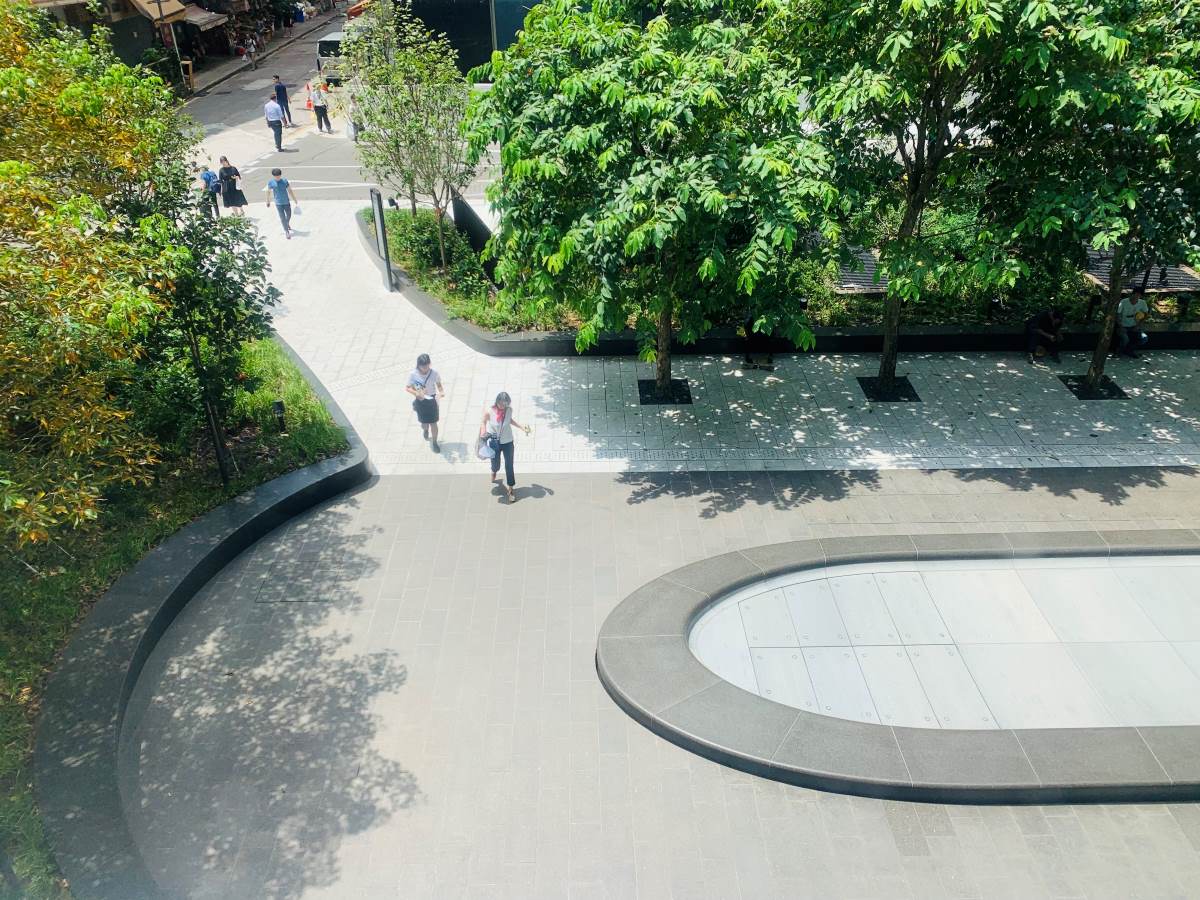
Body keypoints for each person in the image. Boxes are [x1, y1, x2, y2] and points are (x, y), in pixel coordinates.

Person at [479, 392, 531, 503]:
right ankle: (494, 470)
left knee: (509, 465)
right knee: (496, 464)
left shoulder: (509, 410)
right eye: (501, 404)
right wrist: (483, 432)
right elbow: (483, 422)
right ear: (497, 401)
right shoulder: (489, 412)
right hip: (494, 442)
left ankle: (511, 489)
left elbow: (509, 420)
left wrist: (521, 427)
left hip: (508, 441)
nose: (503, 406)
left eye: (505, 404)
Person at [406, 353, 445, 452]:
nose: (425, 368)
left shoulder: (434, 373)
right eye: (423, 366)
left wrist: (441, 392)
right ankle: (425, 429)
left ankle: (435, 442)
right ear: (418, 365)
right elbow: (408, 387)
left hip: (432, 401)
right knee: (424, 423)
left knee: (434, 423)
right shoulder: (413, 374)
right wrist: (416, 393)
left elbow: (438, 384)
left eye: (427, 365)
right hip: (420, 401)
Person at [264, 168, 299, 239]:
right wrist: (268, 201)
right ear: (273, 176)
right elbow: (268, 192)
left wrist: (294, 199)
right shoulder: (271, 182)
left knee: (289, 214)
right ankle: (286, 231)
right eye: (276, 176)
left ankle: (286, 224)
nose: (278, 177)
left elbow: (290, 190)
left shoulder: (285, 181)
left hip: (286, 201)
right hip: (278, 203)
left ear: (280, 175)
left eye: (279, 176)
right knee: (282, 217)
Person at [1116, 292, 1150, 358]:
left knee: (1144, 338)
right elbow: (1118, 315)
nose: (1136, 297)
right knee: (1125, 339)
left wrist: (1138, 325)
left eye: (1138, 295)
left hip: (1134, 326)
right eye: (1135, 295)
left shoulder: (1142, 302)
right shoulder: (1123, 302)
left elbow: (1146, 314)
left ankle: (1130, 350)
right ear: (1131, 294)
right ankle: (1120, 351)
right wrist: (1120, 326)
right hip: (1123, 326)